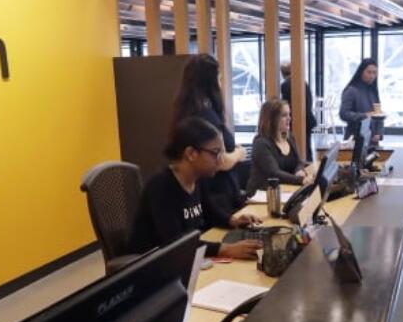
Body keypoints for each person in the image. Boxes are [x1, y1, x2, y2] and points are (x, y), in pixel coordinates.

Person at [129, 116, 262, 260]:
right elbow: (176, 243)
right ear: (191, 154)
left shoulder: (198, 179)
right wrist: (225, 249)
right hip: (151, 265)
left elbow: (210, 211)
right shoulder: (161, 187)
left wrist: (232, 220)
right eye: (215, 153)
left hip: (182, 258)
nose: (221, 160)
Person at [169, 54, 247, 226]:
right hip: (217, 196)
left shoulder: (188, 111)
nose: (221, 85)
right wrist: (239, 154)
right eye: (219, 79)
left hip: (212, 201)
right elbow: (221, 161)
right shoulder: (205, 116)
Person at [246, 99, 314, 195]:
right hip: (263, 195)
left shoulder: (289, 137)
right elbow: (275, 173)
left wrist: (298, 171)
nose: (289, 118)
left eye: (289, 114)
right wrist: (301, 179)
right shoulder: (261, 143)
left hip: (285, 191)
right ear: (272, 119)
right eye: (284, 115)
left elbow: (298, 161)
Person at [279, 62, 317, 160]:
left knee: (297, 147)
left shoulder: (286, 85)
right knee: (306, 147)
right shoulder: (303, 82)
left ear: (283, 73)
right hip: (307, 118)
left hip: (296, 120)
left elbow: (286, 104)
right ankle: (309, 166)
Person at [339, 58, 380, 139]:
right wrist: (364, 115)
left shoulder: (373, 90)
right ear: (361, 72)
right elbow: (343, 114)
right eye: (369, 72)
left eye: (374, 73)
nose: (372, 76)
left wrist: (379, 133)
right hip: (354, 138)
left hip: (372, 139)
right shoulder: (351, 90)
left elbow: (377, 114)